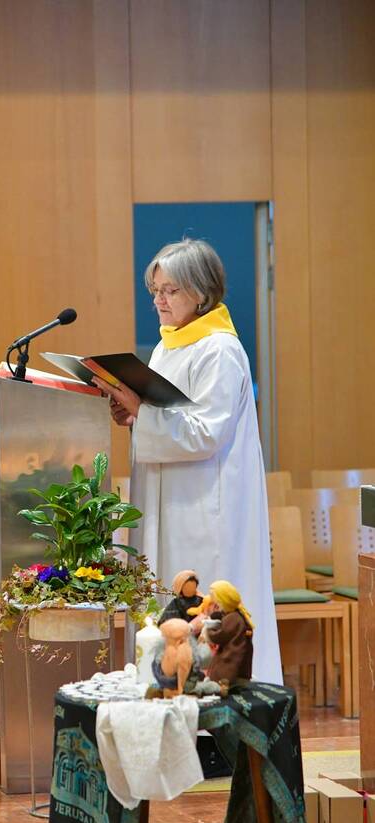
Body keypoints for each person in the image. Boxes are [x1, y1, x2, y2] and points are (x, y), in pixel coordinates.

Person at [93, 238, 281, 683]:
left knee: (202, 608)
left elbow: (206, 433)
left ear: (200, 292)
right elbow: (168, 416)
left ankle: (211, 698)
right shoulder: (168, 347)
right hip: (170, 501)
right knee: (163, 604)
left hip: (204, 507)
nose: (158, 300)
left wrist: (144, 414)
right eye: (155, 290)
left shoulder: (220, 350)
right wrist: (134, 416)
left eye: (170, 290)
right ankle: (164, 689)